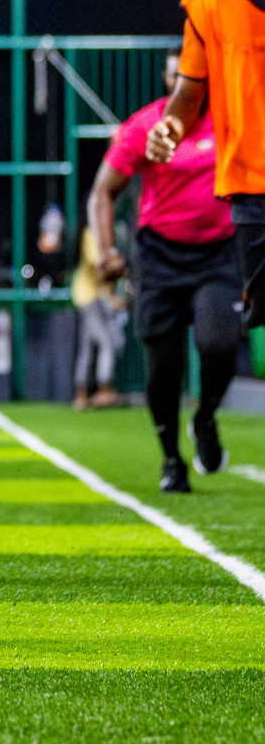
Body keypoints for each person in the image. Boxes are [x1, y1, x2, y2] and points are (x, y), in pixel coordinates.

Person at [148, 0, 265, 475]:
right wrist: (169, 127)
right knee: (225, 340)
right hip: (251, 195)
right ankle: (191, 428)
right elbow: (189, 98)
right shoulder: (211, 6)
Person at [92, 47, 238, 491]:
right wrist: (106, 251)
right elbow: (102, 192)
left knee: (218, 342)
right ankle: (172, 460)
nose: (183, 85)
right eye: (175, 76)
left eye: (191, 77)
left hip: (218, 254)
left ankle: (206, 417)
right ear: (165, 78)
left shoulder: (234, 121)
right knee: (163, 368)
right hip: (159, 257)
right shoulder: (145, 127)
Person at [69, 225, 127, 411]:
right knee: (107, 343)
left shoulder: (106, 232)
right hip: (88, 298)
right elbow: (99, 267)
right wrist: (111, 295)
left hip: (93, 296)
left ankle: (82, 394)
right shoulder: (91, 231)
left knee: (88, 345)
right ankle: (103, 390)